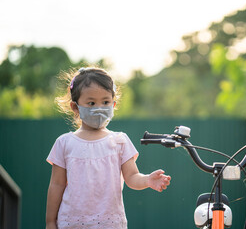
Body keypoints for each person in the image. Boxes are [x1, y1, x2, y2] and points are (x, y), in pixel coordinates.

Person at [45, 67, 171, 229]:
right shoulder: (64, 143)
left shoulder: (120, 141)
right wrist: (50, 222)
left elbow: (132, 176)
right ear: (75, 107)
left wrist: (147, 180)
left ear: (113, 104)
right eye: (91, 103)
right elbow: (56, 185)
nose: (99, 108)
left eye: (105, 102)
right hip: (71, 225)